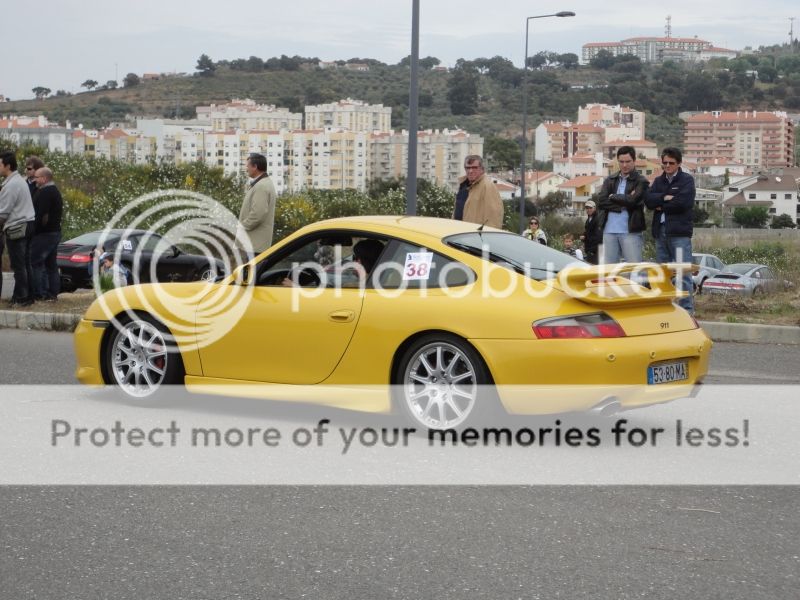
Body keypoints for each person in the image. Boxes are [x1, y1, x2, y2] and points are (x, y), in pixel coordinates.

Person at [645, 147, 696, 314]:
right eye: (664, 163)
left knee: (683, 274)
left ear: (678, 163)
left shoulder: (687, 180)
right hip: (660, 232)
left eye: (671, 163)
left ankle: (686, 311)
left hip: (679, 234)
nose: (667, 166)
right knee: (663, 275)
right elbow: (649, 201)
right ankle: (666, 310)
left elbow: (683, 203)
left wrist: (661, 204)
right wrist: (665, 198)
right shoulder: (659, 181)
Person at [596, 146, 647, 264]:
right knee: (610, 271)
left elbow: (634, 201)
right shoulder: (610, 179)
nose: (624, 165)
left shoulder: (641, 181)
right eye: (621, 161)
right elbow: (602, 201)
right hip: (609, 231)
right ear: (618, 161)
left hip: (631, 231)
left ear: (634, 161)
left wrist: (613, 196)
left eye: (628, 161)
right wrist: (623, 204)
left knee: (634, 270)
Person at [0, 151, 36, 307]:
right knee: (26, 264)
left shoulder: (11, 185)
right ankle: (27, 296)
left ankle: (21, 298)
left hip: (17, 227)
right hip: (28, 224)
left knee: (18, 265)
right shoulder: (19, 181)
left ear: (7, 165)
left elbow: (3, 213)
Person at [30, 167, 63, 301]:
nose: (34, 180)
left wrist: (33, 229)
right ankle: (52, 293)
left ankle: (40, 293)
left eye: (37, 177)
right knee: (51, 264)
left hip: (45, 234)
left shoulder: (46, 192)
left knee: (36, 263)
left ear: (44, 179)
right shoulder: (54, 191)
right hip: (54, 232)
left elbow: (40, 214)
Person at [236, 153, 276, 258]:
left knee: (251, 274)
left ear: (255, 167)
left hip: (255, 245)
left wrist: (241, 226)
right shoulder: (263, 183)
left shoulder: (261, 186)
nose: (246, 169)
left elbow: (257, 214)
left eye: (247, 166)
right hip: (255, 244)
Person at [453, 155, 503, 229]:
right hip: (459, 233)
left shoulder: (488, 186)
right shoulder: (463, 185)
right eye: (468, 168)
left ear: (482, 169)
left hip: (475, 236)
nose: (470, 171)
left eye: (474, 168)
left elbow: (494, 218)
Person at [581, 200, 601, 264]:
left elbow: (598, 237)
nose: (588, 210)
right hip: (591, 250)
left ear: (594, 208)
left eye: (590, 208)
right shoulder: (589, 219)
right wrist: (584, 236)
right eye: (587, 208)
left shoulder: (597, 219)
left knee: (596, 270)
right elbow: (588, 232)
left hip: (596, 250)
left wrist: (592, 250)